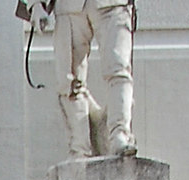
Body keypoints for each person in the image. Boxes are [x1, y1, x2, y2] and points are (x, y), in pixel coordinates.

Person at [53, 0, 136, 158]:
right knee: (69, 81)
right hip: (69, 7)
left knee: (119, 70)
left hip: (113, 5)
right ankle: (79, 148)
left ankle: (120, 135)